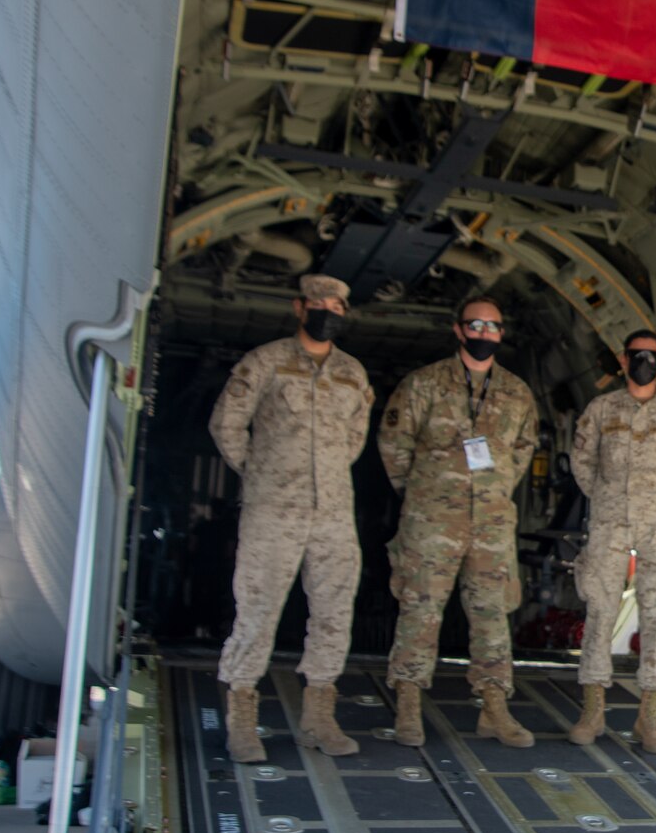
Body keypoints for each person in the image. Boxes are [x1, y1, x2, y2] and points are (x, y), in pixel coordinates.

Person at [208, 273, 373, 763]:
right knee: (257, 610)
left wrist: (326, 473)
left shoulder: (352, 373)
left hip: (333, 512)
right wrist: (259, 473)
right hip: (273, 510)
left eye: (338, 305)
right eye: (320, 302)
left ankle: (319, 717)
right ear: (300, 307)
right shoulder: (265, 361)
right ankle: (242, 719)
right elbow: (227, 424)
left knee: (333, 612)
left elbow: (355, 437)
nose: (329, 310)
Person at [379, 297, 539, 749]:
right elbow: (395, 443)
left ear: (501, 334)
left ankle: (494, 708)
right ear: (458, 329)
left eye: (493, 326)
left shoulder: (517, 392)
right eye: (476, 324)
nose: (484, 333)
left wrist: (495, 487)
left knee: (492, 615)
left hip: (490, 523)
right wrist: (422, 494)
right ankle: (408, 707)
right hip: (432, 521)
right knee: (420, 609)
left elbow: (522, 449)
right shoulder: (424, 384)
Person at [566, 329, 656, 754]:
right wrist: (607, 498)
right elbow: (582, 460)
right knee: (599, 611)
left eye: (651, 356)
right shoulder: (601, 408)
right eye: (636, 355)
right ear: (624, 359)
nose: (644, 361)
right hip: (611, 523)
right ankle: (592, 712)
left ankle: (649, 718)